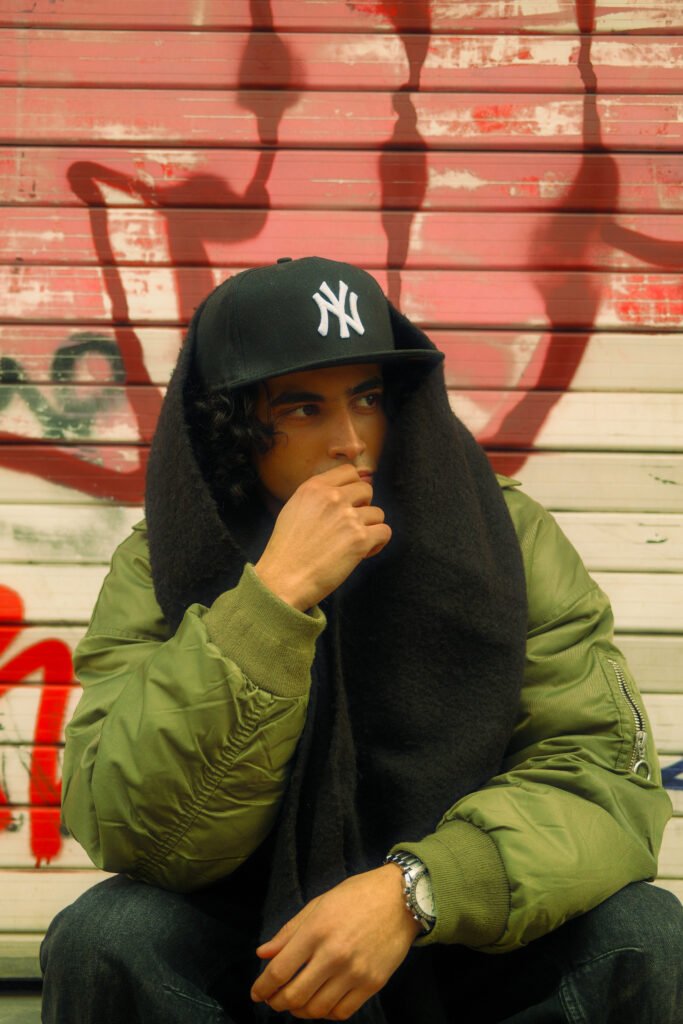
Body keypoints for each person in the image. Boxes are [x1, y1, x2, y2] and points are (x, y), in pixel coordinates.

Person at [41, 257, 682, 1023]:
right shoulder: (164, 561)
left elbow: (599, 774)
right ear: (229, 428)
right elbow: (134, 828)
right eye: (303, 408)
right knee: (108, 935)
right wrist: (271, 602)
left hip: (467, 934)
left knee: (644, 933)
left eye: (368, 398)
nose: (350, 441)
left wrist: (416, 890)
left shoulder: (502, 536)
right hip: (260, 945)